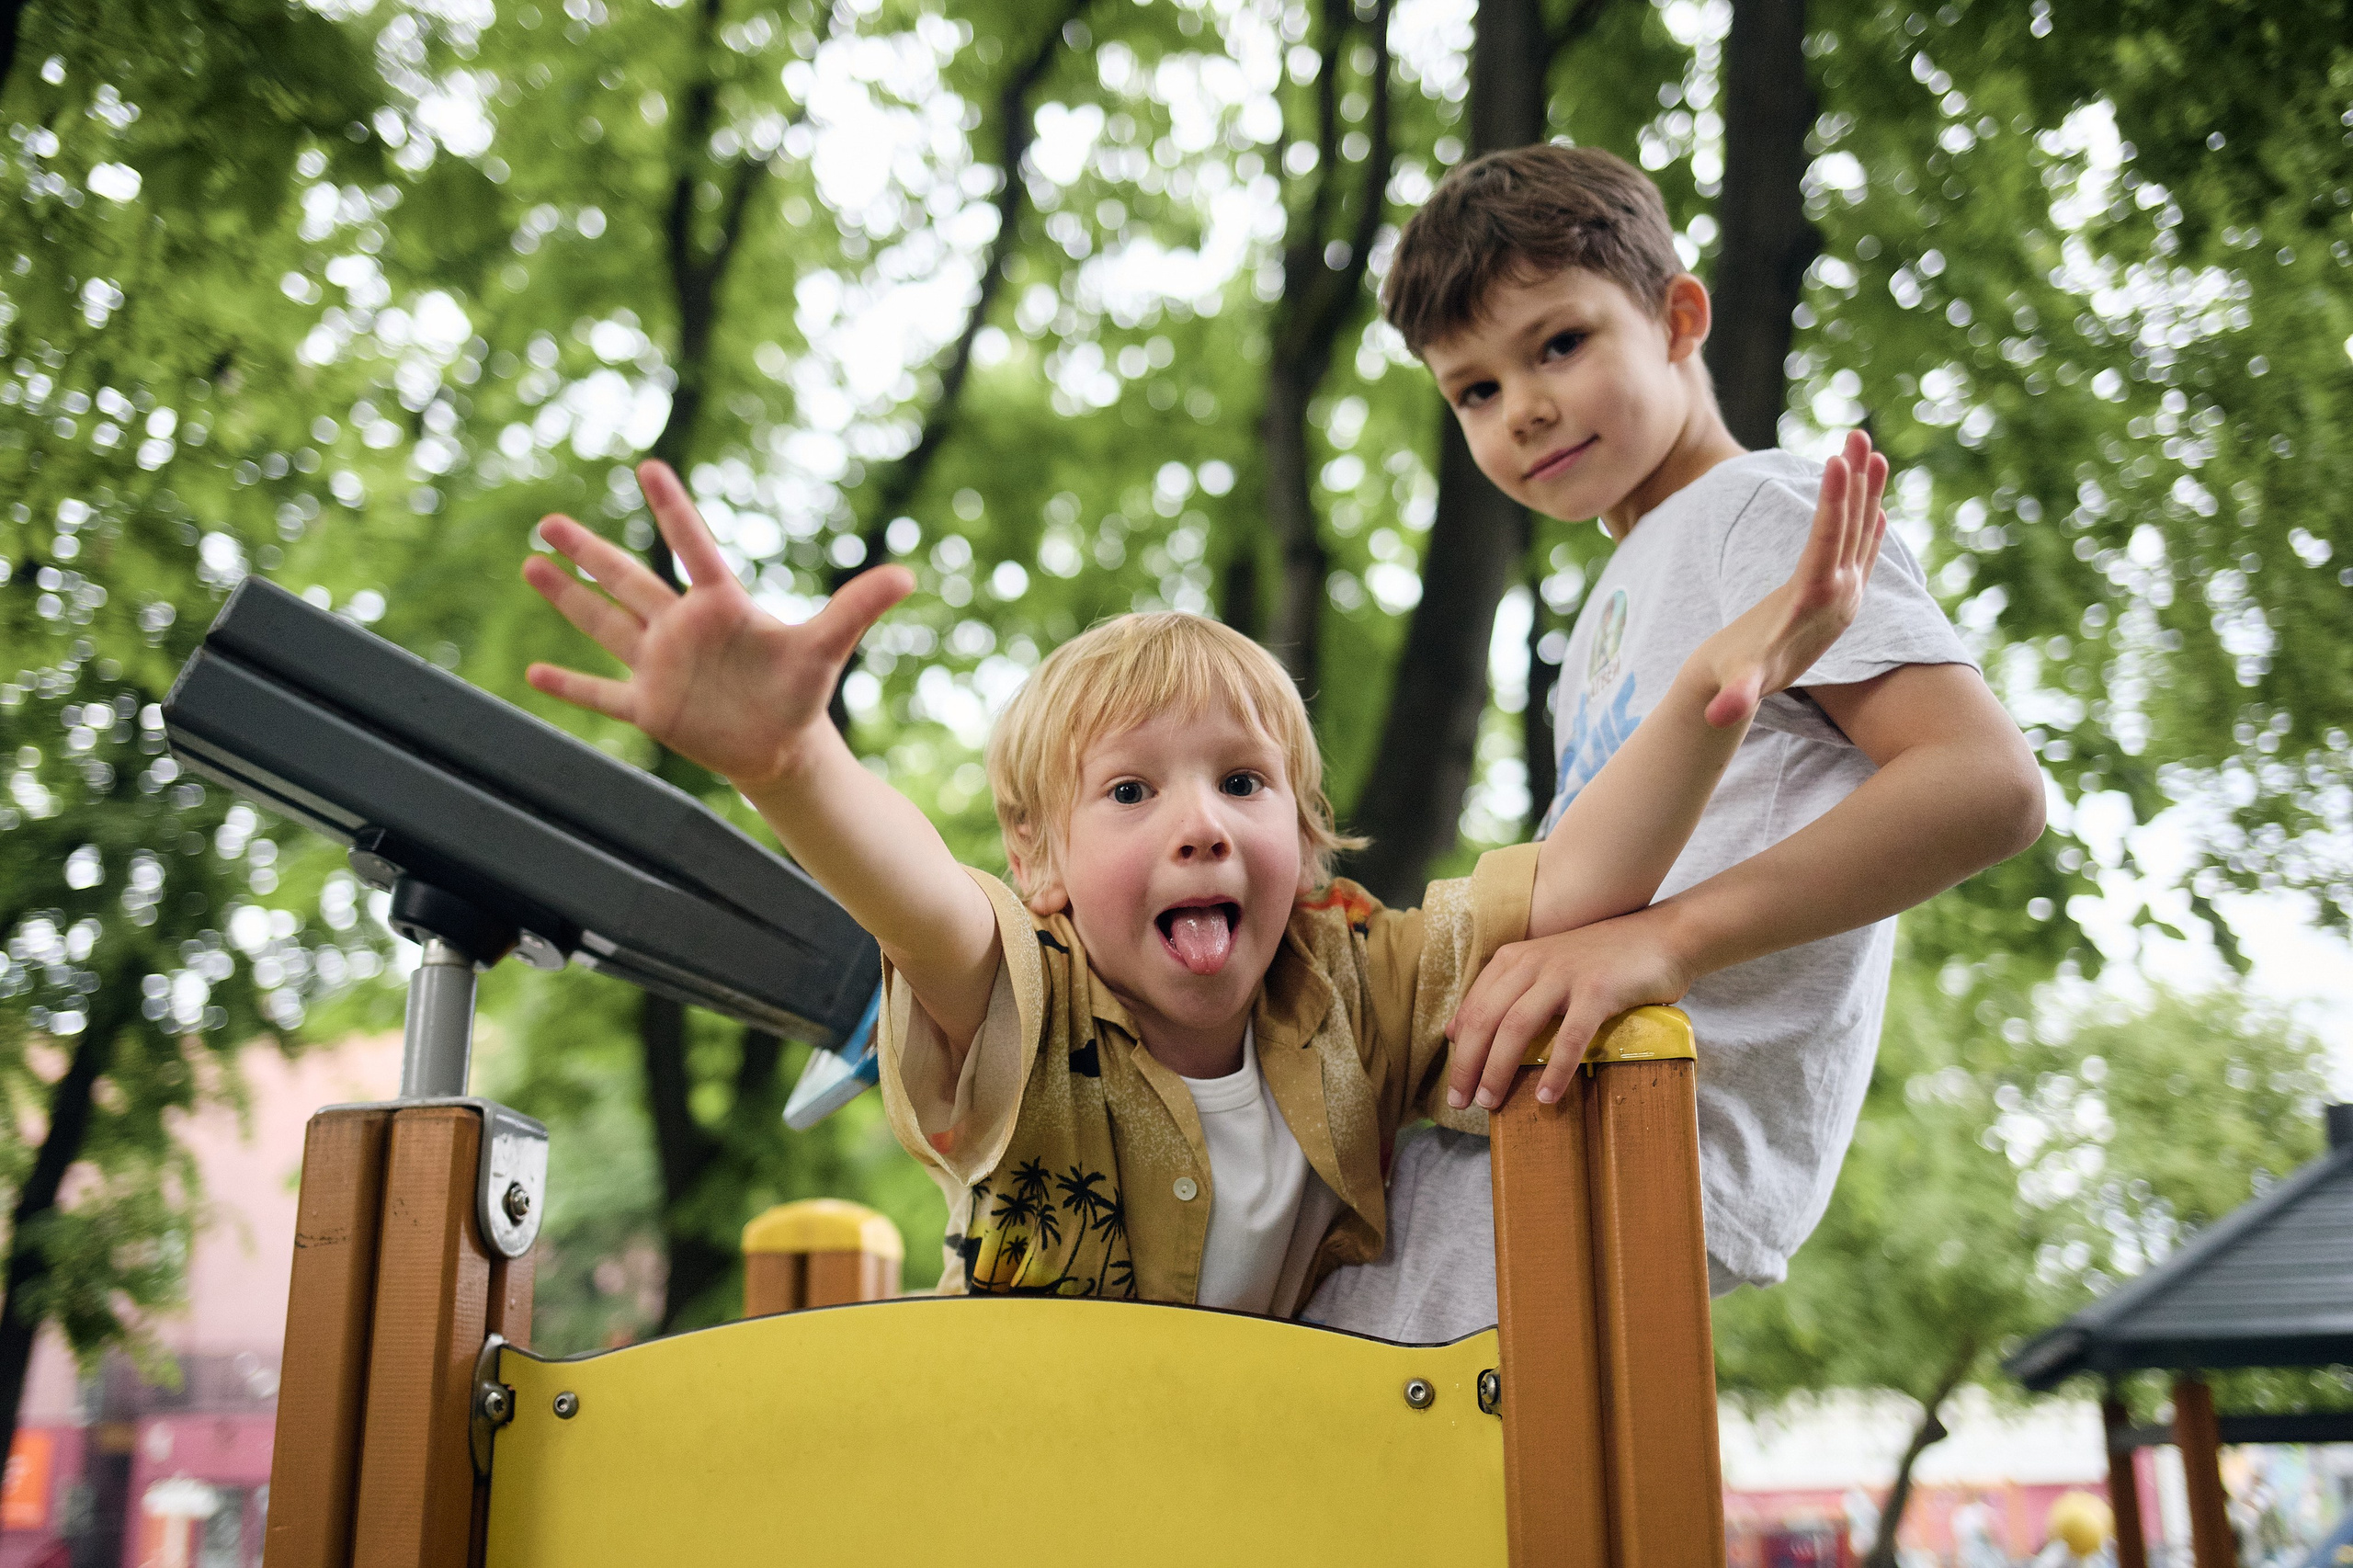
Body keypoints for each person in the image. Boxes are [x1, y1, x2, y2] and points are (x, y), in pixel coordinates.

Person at [517, 429, 1886, 1313]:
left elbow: (1582, 884)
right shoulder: (1022, 1002)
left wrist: (1723, 672)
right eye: (1131, 791)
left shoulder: (1351, 985)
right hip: (1022, 1478)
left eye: (1244, 783)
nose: (1202, 823)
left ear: (1304, 834)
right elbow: (919, 897)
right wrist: (788, 761)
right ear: (1043, 864)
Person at [1304, 144, 2045, 1337]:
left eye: (1558, 343)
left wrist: (1670, 938)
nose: (1523, 407)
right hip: (1557, 1114)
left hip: (1656, 1124)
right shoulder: (1619, 596)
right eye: (1474, 391)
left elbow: (1986, 782)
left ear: (1677, 315)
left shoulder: (1756, 508)